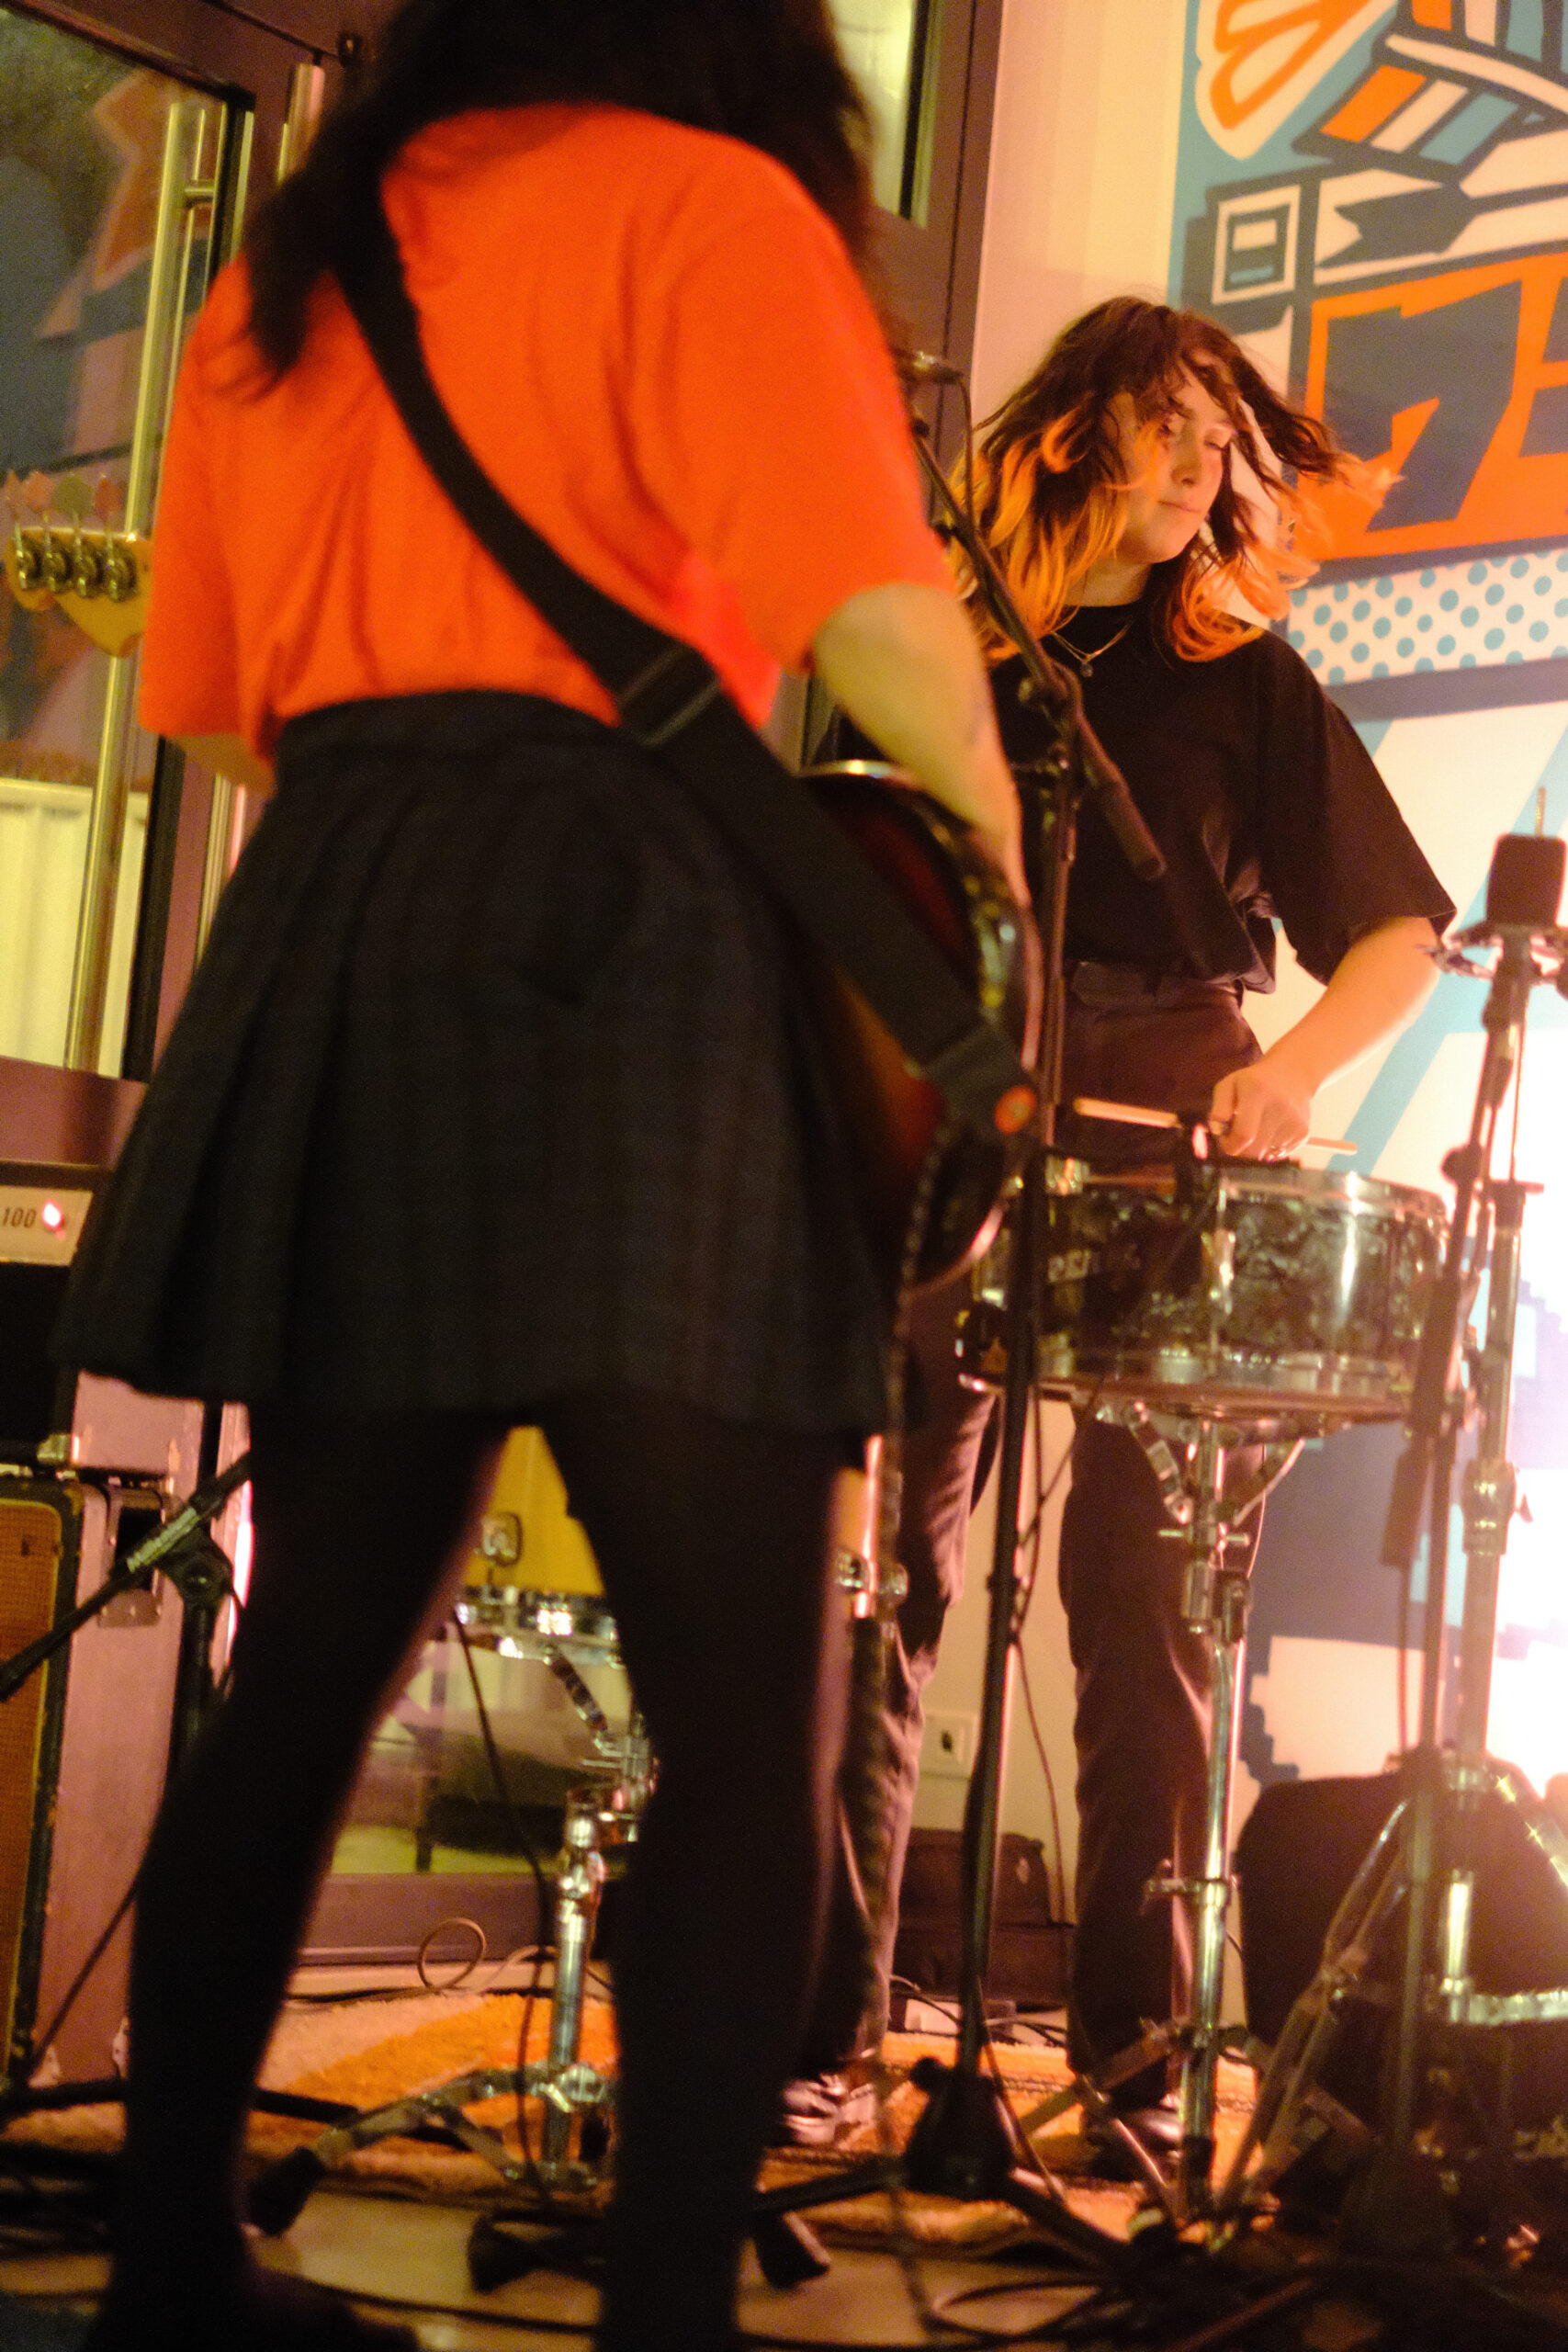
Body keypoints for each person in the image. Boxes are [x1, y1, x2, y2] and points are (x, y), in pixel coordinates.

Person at [54, 6, 1028, 2346]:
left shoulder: (297, 256)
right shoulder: (708, 207)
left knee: (307, 1659)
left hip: (348, 903)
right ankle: (660, 2318)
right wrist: (986, 925)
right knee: (743, 1703)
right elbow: (879, 629)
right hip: (631, 929)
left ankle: (170, 2268)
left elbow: (219, 700)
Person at [789, 296, 1454, 2158]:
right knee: (885, 1578)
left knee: (1147, 1599)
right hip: (948, 1110)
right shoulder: (929, 644)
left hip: (1171, 1121)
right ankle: (817, 2029)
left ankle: (1134, 2060)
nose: (1200, 464)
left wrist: (1290, 1073)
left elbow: (1398, 934)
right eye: (1169, 424)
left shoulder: (1238, 675)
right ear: (1079, 426)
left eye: (1218, 438)